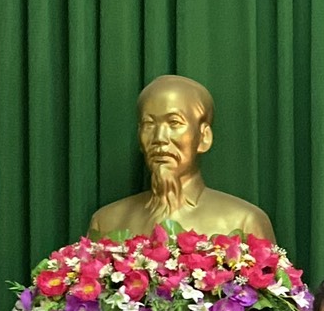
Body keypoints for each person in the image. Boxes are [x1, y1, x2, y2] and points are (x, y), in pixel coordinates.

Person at [85, 75, 275, 240]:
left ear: (204, 137)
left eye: (174, 122)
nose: (159, 138)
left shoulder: (244, 221)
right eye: (149, 124)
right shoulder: (106, 222)